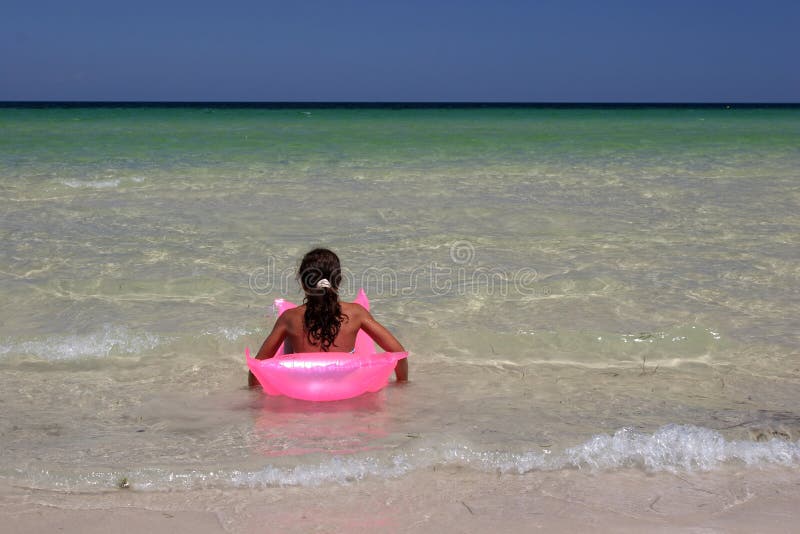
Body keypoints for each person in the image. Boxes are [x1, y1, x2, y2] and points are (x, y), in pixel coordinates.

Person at [248, 248, 408, 387]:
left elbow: (257, 367)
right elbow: (398, 352)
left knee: (287, 341)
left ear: (303, 284)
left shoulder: (289, 318)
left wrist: (256, 397)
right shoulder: (356, 313)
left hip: (304, 389)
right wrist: (401, 385)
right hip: (347, 388)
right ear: (338, 280)